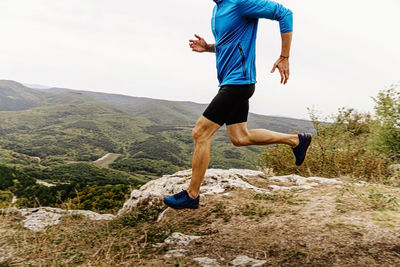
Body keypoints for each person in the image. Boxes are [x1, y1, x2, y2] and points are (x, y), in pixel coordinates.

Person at [163, 0, 312, 209]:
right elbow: (229, 42)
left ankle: (192, 195)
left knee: (200, 133)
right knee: (240, 137)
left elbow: (285, 13)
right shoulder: (218, 8)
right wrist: (208, 48)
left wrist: (284, 57)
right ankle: (297, 140)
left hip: (238, 82)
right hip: (232, 82)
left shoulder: (241, 2)